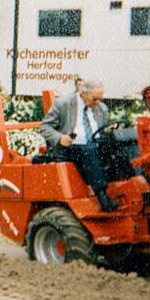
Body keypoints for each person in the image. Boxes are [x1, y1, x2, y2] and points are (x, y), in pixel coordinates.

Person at [40, 79, 119, 211]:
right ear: (83, 93)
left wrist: (109, 130)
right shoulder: (63, 104)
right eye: (95, 99)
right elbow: (45, 127)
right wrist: (60, 138)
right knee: (87, 149)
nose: (98, 103)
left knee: (120, 144)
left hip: (94, 146)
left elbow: (100, 131)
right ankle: (102, 196)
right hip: (70, 148)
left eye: (100, 99)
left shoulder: (101, 108)